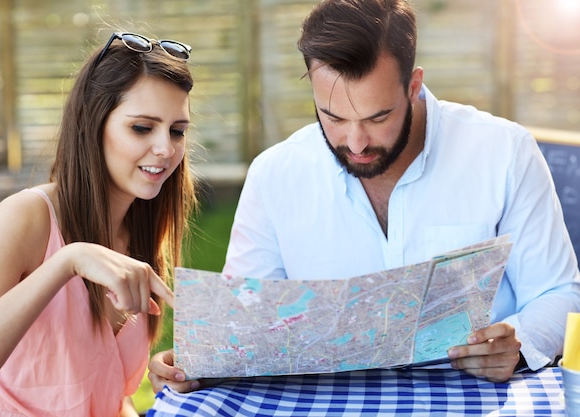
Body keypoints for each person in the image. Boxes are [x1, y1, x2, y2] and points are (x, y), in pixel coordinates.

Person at [147, 0, 580, 394]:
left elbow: (561, 291)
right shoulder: (275, 175)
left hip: (478, 396)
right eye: (332, 116)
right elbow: (245, 325)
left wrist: (517, 343)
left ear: (413, 85)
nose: (355, 142)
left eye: (378, 117)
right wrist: (205, 364)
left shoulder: (503, 152)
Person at [0, 31, 196, 416]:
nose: (167, 149)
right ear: (92, 124)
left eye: (177, 131)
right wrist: (67, 262)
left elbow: (110, 400)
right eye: (142, 128)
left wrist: (160, 375)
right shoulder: (27, 217)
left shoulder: (143, 232)